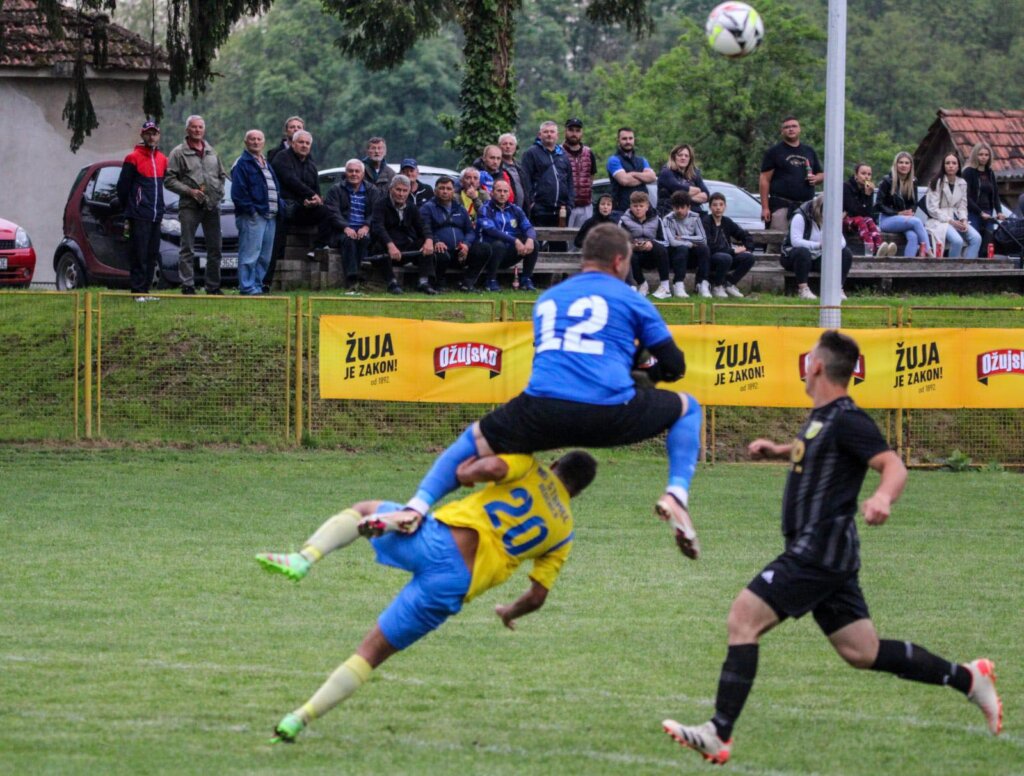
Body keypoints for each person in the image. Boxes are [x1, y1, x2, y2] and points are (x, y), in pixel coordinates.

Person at [661, 329, 1003, 766]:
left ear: (817, 366)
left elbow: (892, 465)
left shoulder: (848, 418)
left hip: (818, 549)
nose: (806, 366)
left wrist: (882, 497)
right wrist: (778, 450)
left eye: (808, 361)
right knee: (863, 652)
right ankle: (970, 679)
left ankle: (718, 731)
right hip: (828, 554)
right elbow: (816, 451)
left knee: (742, 618)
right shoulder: (823, 418)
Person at [376, 223, 705, 561]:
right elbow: (674, 365)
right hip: (609, 409)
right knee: (688, 407)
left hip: (543, 409)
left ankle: (416, 505)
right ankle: (676, 494)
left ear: (585, 259)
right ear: (620, 261)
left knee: (473, 440)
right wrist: (646, 371)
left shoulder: (548, 299)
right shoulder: (630, 298)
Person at [256, 449, 599, 744]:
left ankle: (307, 557)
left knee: (364, 509)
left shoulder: (530, 467)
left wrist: (465, 469)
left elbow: (491, 468)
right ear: (579, 493)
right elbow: (538, 596)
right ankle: (297, 719)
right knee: (371, 652)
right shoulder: (563, 532)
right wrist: (508, 612)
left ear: (555, 464)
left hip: (436, 538)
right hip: (454, 584)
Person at [164, 115, 228, 295]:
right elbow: (169, 180)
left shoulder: (212, 152)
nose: (197, 130)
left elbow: (222, 175)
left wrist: (219, 191)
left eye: (200, 127)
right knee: (187, 247)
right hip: (190, 206)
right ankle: (188, 285)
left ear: (204, 130)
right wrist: (190, 191)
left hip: (212, 206)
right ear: (187, 130)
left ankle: (213, 286)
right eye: (194, 127)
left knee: (215, 247)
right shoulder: (178, 152)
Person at [269, 129, 329, 289]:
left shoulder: (311, 163)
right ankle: (267, 281)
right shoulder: (282, 157)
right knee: (277, 237)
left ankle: (317, 247)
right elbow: (290, 180)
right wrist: (310, 195)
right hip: (284, 207)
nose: (304, 145)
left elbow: (316, 187)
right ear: (293, 143)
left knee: (327, 212)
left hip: (303, 208)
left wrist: (315, 200)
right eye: (301, 142)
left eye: (307, 143)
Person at [117, 120, 168, 297]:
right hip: (139, 214)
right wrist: (129, 210)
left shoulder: (162, 159)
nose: (151, 136)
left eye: (154, 133)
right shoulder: (133, 158)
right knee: (139, 253)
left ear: (158, 136)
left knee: (152, 253)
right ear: (142, 135)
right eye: (148, 133)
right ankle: (137, 290)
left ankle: (146, 289)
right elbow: (122, 187)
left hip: (156, 214)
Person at [418, 175, 489, 292]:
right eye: (441, 188)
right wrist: (436, 241)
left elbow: (470, 231)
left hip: (460, 252)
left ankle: (468, 283)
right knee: (440, 253)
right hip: (441, 251)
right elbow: (424, 229)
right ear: (435, 190)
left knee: (484, 248)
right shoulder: (427, 208)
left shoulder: (460, 209)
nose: (445, 191)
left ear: (453, 191)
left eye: (448, 188)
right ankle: (439, 283)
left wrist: (466, 244)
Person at [230, 129, 280, 295]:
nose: (256, 142)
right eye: (252, 139)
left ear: (263, 142)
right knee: (250, 255)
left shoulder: (265, 162)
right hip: (253, 216)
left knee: (264, 257)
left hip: (270, 216)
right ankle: (247, 287)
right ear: (246, 142)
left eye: (259, 139)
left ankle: (257, 286)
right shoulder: (242, 163)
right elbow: (238, 193)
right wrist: (252, 211)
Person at [369, 174, 436, 295]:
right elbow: (378, 228)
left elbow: (422, 225)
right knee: (379, 247)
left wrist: (429, 240)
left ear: (409, 191)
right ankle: (392, 283)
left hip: (404, 248)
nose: (401, 194)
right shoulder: (380, 204)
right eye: (398, 190)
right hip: (385, 247)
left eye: (405, 191)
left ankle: (424, 282)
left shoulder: (411, 207)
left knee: (425, 244)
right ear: (391, 189)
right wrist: (390, 245)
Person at [324, 159, 383, 292]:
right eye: (351, 171)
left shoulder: (372, 190)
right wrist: (345, 227)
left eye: (357, 171)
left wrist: (366, 226)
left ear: (363, 174)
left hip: (364, 229)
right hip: (341, 231)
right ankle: (352, 279)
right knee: (349, 240)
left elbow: (376, 212)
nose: (354, 174)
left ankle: (360, 278)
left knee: (365, 239)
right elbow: (332, 212)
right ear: (346, 173)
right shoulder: (336, 190)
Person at [781, 193, 853, 300]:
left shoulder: (831, 218)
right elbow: (795, 241)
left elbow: (842, 241)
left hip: (820, 257)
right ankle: (803, 289)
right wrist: (818, 245)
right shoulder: (800, 216)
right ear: (819, 209)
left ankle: (838, 288)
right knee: (802, 252)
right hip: (794, 257)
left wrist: (833, 246)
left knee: (846, 253)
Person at [759, 116, 823, 231]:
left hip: (806, 206)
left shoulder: (809, 151)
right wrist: (765, 208)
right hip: (781, 206)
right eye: (787, 127)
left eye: (794, 126)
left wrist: (816, 178)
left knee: (804, 241)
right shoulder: (774, 152)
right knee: (777, 241)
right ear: (782, 131)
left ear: (799, 129)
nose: (791, 129)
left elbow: (821, 174)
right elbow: (764, 179)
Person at [478, 179, 539, 291]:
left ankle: (526, 279)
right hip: (490, 254)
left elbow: (528, 227)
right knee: (498, 245)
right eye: (499, 191)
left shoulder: (515, 209)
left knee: (533, 243)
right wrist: (515, 241)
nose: (502, 194)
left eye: (505, 191)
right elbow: (491, 230)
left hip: (510, 254)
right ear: (492, 192)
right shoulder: (485, 209)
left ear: (509, 193)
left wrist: (530, 239)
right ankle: (490, 280)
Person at [520, 121, 574, 250]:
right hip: (540, 208)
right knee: (537, 244)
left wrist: (570, 204)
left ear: (557, 135)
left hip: (561, 209)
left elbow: (570, 181)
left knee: (560, 245)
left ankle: (558, 270)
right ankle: (538, 270)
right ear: (540, 134)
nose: (549, 135)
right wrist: (532, 203)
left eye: (552, 132)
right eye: (546, 132)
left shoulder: (563, 155)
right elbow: (525, 179)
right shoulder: (531, 153)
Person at [925, 153, 981, 259]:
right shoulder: (936, 182)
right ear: (943, 166)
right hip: (939, 220)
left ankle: (967, 269)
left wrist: (964, 220)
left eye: (954, 163)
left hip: (957, 218)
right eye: (948, 163)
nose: (951, 165)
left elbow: (962, 205)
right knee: (957, 241)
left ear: (958, 166)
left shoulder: (962, 183)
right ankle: (952, 270)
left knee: (976, 238)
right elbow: (932, 208)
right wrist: (950, 221)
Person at [702, 191, 756, 298]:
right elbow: (709, 245)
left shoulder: (727, 222)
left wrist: (748, 248)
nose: (718, 208)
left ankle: (729, 284)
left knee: (749, 258)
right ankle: (717, 286)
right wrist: (732, 251)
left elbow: (744, 235)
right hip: (711, 258)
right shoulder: (706, 221)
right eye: (715, 205)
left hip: (728, 256)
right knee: (726, 257)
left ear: (725, 207)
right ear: (710, 207)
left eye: (721, 205)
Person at [876, 151, 930, 258]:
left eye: (907, 163)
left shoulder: (913, 181)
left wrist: (911, 212)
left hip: (904, 220)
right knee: (917, 221)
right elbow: (878, 205)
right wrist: (898, 213)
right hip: (887, 220)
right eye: (901, 162)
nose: (903, 165)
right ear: (896, 165)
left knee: (913, 236)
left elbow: (914, 204)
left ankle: (908, 264)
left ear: (911, 166)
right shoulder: (887, 181)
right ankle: (929, 252)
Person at [618, 190, 670, 299]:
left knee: (660, 248)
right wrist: (633, 246)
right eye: (635, 206)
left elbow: (665, 242)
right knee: (628, 253)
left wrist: (651, 243)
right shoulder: (623, 220)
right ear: (630, 206)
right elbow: (620, 244)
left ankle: (665, 287)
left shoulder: (657, 219)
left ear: (647, 206)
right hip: (635, 256)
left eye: (641, 206)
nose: (638, 208)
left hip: (652, 255)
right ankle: (642, 284)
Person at [662, 191, 711, 298]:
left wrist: (684, 237)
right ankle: (678, 284)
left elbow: (703, 239)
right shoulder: (668, 219)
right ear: (673, 207)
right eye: (676, 207)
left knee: (704, 249)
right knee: (682, 248)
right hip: (676, 254)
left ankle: (702, 283)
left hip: (690, 252)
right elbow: (673, 242)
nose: (679, 210)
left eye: (682, 207)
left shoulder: (695, 217)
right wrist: (690, 243)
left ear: (688, 207)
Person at [963, 142, 1007, 255]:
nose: (983, 157)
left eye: (986, 155)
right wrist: (980, 212)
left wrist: (999, 211)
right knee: (975, 241)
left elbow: (995, 194)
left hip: (988, 213)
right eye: (981, 154)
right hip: (973, 213)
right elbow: (966, 197)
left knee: (987, 245)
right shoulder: (968, 172)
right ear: (975, 155)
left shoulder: (990, 173)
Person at [842, 163, 893, 257]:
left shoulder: (868, 189)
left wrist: (868, 195)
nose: (866, 177)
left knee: (869, 220)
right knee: (861, 220)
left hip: (859, 219)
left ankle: (879, 247)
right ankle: (871, 249)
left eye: (869, 174)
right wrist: (866, 195)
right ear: (856, 175)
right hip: (845, 219)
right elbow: (852, 210)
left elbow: (869, 214)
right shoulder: (846, 187)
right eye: (863, 173)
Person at [607, 127, 656, 214]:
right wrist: (643, 177)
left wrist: (632, 174)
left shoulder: (642, 160)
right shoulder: (613, 160)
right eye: (624, 139)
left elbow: (652, 177)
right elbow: (624, 180)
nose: (628, 141)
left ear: (634, 140)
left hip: (644, 211)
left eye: (630, 138)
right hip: (622, 211)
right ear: (618, 140)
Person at [562, 117, 598, 228]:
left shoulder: (589, 152)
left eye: (577, 131)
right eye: (571, 130)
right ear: (565, 131)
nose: (574, 133)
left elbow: (591, 176)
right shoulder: (558, 152)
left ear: (581, 133)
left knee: (583, 241)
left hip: (585, 205)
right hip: (565, 206)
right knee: (562, 240)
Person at [656, 144, 709, 216]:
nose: (683, 158)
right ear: (674, 157)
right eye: (680, 155)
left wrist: (681, 197)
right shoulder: (666, 173)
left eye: (686, 156)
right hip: (670, 216)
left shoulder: (695, 174)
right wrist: (697, 191)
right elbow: (677, 188)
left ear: (690, 159)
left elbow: (706, 196)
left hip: (694, 217)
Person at [498, 132, 528, 210]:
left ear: (515, 147)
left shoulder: (520, 167)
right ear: (499, 146)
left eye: (511, 144)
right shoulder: (496, 166)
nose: (508, 146)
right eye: (505, 144)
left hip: (521, 211)